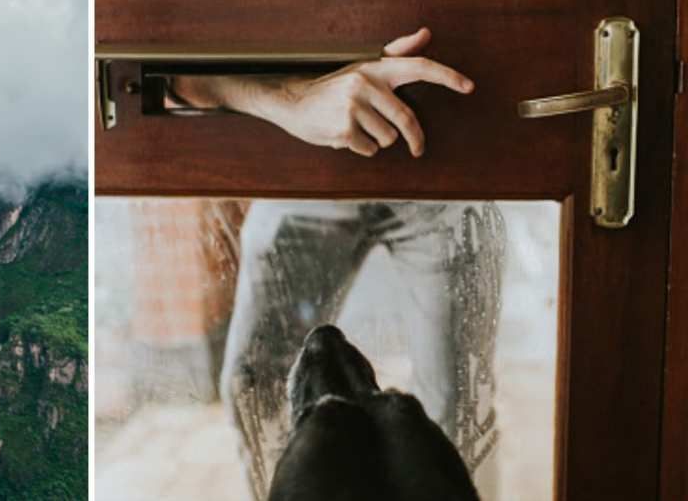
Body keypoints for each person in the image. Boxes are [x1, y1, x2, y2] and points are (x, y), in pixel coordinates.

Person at [157, 28, 505, 500]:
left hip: (454, 159)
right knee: (253, 384)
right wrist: (289, 100)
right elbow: (163, 69)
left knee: (458, 405)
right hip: (303, 162)